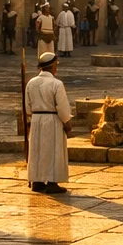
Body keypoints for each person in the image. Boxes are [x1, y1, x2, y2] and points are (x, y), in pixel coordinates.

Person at [25, 52, 72, 194]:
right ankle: (52, 182)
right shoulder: (56, 84)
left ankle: (37, 181)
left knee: (37, 150)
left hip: (37, 119)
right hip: (52, 120)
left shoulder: (31, 83)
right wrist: (66, 122)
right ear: (53, 66)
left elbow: (27, 107)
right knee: (53, 150)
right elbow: (62, 107)